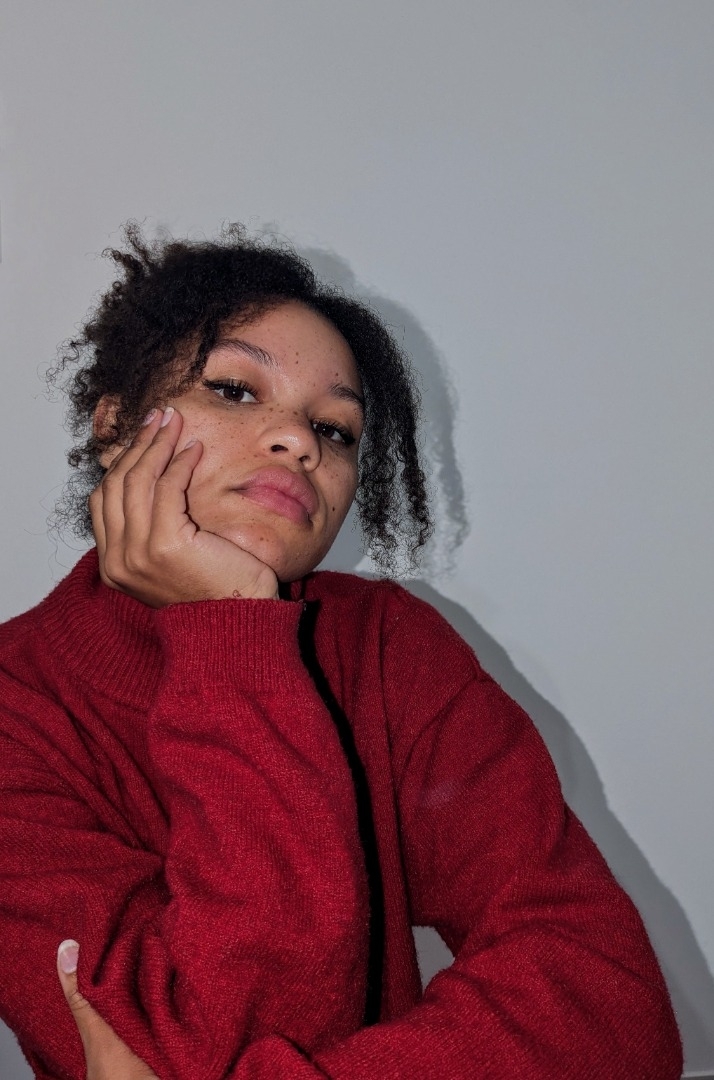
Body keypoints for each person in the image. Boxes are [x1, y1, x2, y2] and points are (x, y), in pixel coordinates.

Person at [0, 225, 682, 1079]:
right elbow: (210, 1042)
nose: (301, 441)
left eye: (337, 429)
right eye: (235, 390)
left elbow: (611, 1003)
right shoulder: (15, 707)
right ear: (113, 425)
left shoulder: (392, 650)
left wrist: (227, 629)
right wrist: (229, 630)